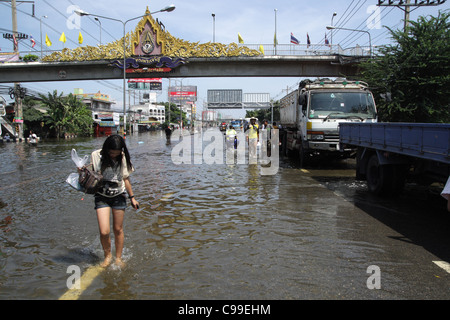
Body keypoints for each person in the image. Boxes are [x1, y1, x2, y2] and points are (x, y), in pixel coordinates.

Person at [90, 135, 139, 268]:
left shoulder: (123, 157)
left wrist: (132, 198)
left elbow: (126, 179)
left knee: (118, 229)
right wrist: (81, 171)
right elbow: (91, 174)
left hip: (119, 196)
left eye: (116, 154)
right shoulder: (95, 155)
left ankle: (118, 258)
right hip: (101, 196)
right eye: (111, 153)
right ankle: (107, 256)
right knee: (104, 231)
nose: (113, 156)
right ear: (106, 149)